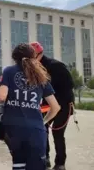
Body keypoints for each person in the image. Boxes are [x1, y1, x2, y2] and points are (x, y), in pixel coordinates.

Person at [0, 43, 61, 170]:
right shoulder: (41, 76)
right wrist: (43, 122)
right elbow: (55, 107)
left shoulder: (9, 71)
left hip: (13, 129)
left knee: (19, 165)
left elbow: (2, 96)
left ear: (14, 58)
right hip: (35, 129)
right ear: (34, 57)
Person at [30, 41, 75, 170]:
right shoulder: (34, 68)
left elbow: (69, 85)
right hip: (45, 105)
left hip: (63, 104)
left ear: (39, 54)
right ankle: (45, 158)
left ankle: (60, 163)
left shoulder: (56, 66)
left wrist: (55, 101)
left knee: (58, 133)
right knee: (42, 131)